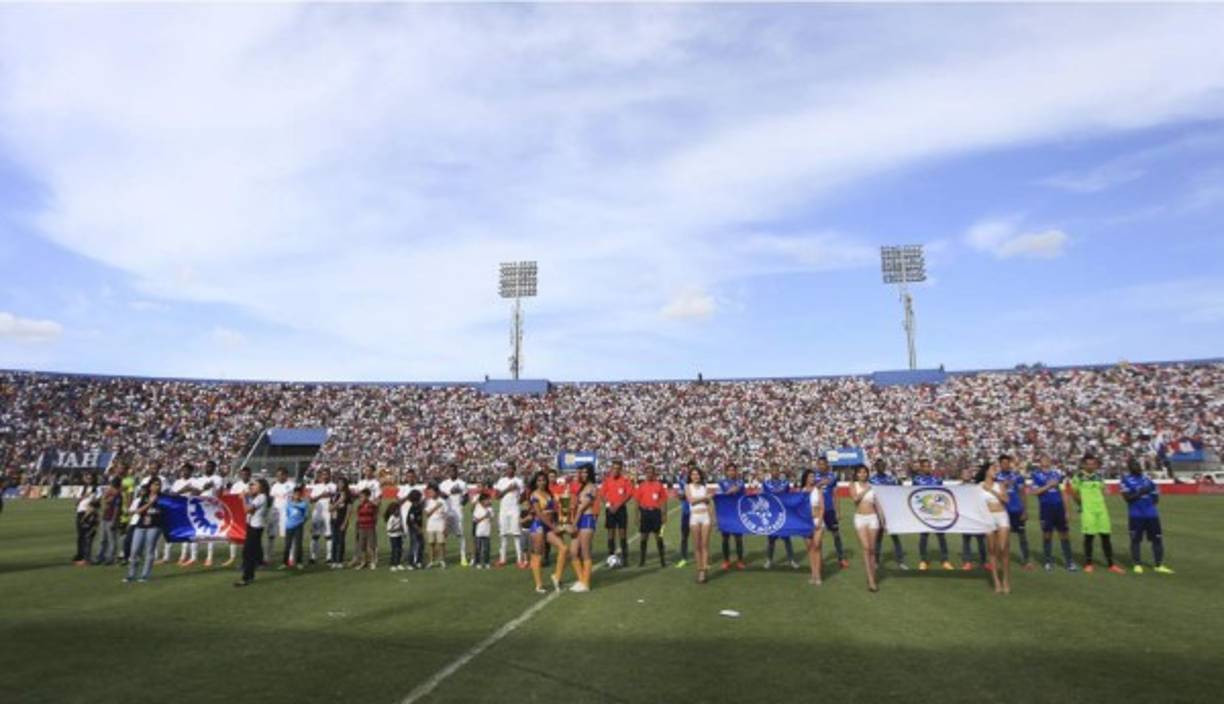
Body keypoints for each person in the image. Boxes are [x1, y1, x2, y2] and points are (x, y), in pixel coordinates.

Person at [1068, 453, 1124, 574]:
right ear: (1083, 465)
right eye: (1088, 464)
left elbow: (1104, 489)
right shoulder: (1078, 477)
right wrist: (1082, 505)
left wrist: (1105, 491)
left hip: (1102, 510)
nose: (1091, 466)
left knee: (1106, 537)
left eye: (1093, 464)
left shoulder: (1098, 476)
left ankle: (1111, 564)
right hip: (1088, 511)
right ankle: (1088, 564)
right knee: (1089, 537)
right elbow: (1074, 493)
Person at [1120, 459, 1174, 574]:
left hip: (1151, 515)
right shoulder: (1126, 480)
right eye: (1134, 465)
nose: (1137, 467)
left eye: (1138, 465)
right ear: (1130, 468)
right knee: (1135, 540)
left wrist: (1147, 498)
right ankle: (1137, 564)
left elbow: (1155, 498)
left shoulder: (1147, 479)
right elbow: (1127, 498)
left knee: (1157, 540)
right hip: (1136, 515)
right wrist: (1141, 492)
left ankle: (1159, 565)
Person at [1030, 455, 1078, 572]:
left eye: (1047, 459)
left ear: (1050, 462)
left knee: (1064, 534)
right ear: (1040, 463)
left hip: (1059, 508)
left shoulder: (1057, 474)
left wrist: (1067, 511)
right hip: (1046, 508)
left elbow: (1064, 493)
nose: (1045, 461)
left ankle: (1069, 562)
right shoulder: (1036, 475)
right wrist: (1049, 485)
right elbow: (1035, 491)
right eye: (1043, 459)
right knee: (1047, 534)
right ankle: (1048, 561)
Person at [527, 471, 569, 593]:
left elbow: (556, 509)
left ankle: (556, 576)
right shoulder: (534, 495)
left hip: (549, 526)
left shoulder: (548, 493)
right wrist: (553, 526)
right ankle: (539, 585)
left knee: (564, 548)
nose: (542, 482)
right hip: (539, 526)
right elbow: (539, 514)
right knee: (538, 555)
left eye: (543, 480)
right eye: (539, 480)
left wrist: (559, 523)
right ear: (536, 482)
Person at [976, 461, 1011, 594]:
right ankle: (996, 581)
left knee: (1003, 548)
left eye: (996, 469)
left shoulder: (999, 485)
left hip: (1001, 516)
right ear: (986, 471)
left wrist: (991, 490)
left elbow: (1006, 500)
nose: (995, 471)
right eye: (993, 469)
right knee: (992, 550)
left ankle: (1006, 580)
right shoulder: (979, 486)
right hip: (988, 518)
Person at [912, 459, 953, 571]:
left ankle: (945, 560)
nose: (927, 468)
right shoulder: (916, 480)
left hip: (937, 512)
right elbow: (913, 495)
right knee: (924, 536)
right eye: (925, 466)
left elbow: (942, 494)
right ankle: (923, 560)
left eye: (929, 466)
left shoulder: (937, 479)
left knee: (941, 536)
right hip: (923, 512)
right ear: (921, 468)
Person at [995, 454, 1033, 570]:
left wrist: (1025, 510)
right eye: (1003, 463)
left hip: (1017, 510)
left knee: (1022, 537)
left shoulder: (1017, 476)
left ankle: (1026, 561)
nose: (1006, 465)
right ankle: (1002, 560)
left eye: (1007, 463)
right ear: (1000, 464)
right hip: (1002, 512)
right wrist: (1002, 486)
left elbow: (1022, 493)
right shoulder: (996, 477)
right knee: (1003, 537)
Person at [869, 460, 909, 571]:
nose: (881, 467)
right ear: (876, 467)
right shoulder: (872, 480)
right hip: (877, 512)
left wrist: (900, 483)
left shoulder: (891, 479)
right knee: (878, 538)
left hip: (890, 512)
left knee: (895, 536)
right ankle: (876, 561)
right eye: (879, 466)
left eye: (883, 466)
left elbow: (898, 490)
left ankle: (900, 561)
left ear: (885, 466)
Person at [125, 478, 165, 583]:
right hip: (141, 526)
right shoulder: (144, 497)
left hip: (155, 526)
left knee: (149, 550)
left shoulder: (163, 498)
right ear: (150, 486)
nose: (157, 487)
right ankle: (131, 574)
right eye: (155, 484)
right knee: (134, 550)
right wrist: (150, 503)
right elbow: (138, 511)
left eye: (159, 485)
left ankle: (145, 575)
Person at [567, 464, 599, 591]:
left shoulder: (592, 487)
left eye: (586, 472)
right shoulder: (582, 487)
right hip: (579, 520)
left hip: (587, 520)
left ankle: (586, 583)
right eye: (582, 472)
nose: (583, 474)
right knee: (573, 552)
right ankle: (581, 579)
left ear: (590, 473)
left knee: (585, 553)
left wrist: (573, 524)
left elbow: (581, 508)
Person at [849, 465, 880, 592]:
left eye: (865, 472)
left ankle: (872, 577)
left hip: (873, 518)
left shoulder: (873, 486)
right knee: (866, 547)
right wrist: (866, 490)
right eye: (860, 472)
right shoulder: (853, 485)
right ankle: (871, 580)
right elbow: (855, 499)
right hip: (860, 518)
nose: (863, 474)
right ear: (856, 474)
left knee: (872, 549)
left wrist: (882, 519)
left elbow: (877, 504)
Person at [235, 478, 270, 587]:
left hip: (255, 527)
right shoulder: (260, 497)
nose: (252, 487)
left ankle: (246, 577)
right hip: (254, 526)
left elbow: (247, 510)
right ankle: (254, 569)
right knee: (251, 551)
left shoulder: (261, 497)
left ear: (261, 487)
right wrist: (247, 495)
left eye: (255, 485)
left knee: (248, 552)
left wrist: (244, 498)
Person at [815, 457, 849, 568]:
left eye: (823, 464)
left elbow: (835, 494)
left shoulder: (832, 477)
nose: (821, 466)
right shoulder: (814, 476)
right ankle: (819, 560)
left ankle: (841, 558)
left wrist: (837, 511)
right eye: (819, 464)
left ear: (827, 465)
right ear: (817, 465)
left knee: (836, 534)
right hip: (817, 510)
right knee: (818, 536)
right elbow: (808, 490)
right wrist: (820, 483)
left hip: (829, 510)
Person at [763, 467, 798, 569]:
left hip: (783, 514)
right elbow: (765, 495)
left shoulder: (784, 483)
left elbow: (788, 495)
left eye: (777, 470)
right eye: (773, 470)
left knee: (787, 538)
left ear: (779, 472)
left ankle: (791, 560)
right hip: (772, 514)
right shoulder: (766, 483)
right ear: (770, 472)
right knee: (771, 539)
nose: (775, 472)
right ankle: (769, 560)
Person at [600, 460, 633, 566]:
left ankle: (625, 557)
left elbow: (629, 494)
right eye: (614, 468)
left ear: (621, 470)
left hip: (621, 509)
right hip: (610, 510)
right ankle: (611, 557)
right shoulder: (607, 480)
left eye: (618, 469)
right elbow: (602, 494)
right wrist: (608, 505)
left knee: (622, 533)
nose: (615, 470)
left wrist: (618, 505)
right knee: (611, 533)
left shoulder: (625, 480)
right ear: (611, 469)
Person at [634, 464, 668, 568]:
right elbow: (637, 502)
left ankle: (662, 560)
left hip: (656, 513)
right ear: (645, 474)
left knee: (659, 537)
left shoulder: (659, 485)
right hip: (645, 513)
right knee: (644, 537)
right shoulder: (641, 486)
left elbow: (664, 500)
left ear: (654, 474)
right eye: (648, 472)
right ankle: (642, 560)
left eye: (651, 472)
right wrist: (636, 516)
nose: (649, 474)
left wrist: (664, 514)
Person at [686, 466, 715, 584]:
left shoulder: (705, 487)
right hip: (694, 517)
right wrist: (705, 497)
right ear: (690, 476)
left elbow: (708, 504)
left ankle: (704, 570)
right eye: (693, 474)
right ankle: (700, 569)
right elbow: (691, 501)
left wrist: (712, 518)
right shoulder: (688, 487)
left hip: (705, 517)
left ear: (700, 475)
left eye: (697, 474)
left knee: (704, 545)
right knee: (697, 546)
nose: (695, 476)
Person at [493, 462, 525, 568]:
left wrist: (518, 500)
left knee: (516, 535)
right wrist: (508, 489)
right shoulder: (501, 481)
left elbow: (523, 496)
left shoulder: (519, 481)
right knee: (503, 535)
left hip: (515, 510)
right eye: (507, 469)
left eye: (511, 469)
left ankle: (519, 560)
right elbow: (497, 496)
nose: (509, 470)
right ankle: (502, 559)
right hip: (503, 511)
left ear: (514, 470)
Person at [958, 465, 989, 571]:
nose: (967, 475)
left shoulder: (977, 486)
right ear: (961, 475)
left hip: (977, 517)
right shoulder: (957, 488)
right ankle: (967, 562)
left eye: (968, 473)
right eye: (965, 473)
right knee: (966, 541)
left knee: (981, 541)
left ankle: (984, 562)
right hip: (965, 518)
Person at [439, 465, 469, 567]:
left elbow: (466, 497)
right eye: (450, 471)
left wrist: (461, 504)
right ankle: (443, 559)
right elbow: (442, 496)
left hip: (458, 513)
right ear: (448, 472)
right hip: (446, 512)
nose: (452, 472)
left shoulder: (462, 483)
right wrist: (451, 492)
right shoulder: (444, 484)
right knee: (444, 535)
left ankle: (463, 557)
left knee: (460, 535)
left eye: (454, 471)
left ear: (457, 472)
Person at [717, 464, 746, 570]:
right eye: (729, 470)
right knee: (725, 539)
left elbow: (742, 494)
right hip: (725, 513)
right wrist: (728, 492)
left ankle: (740, 561)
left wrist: (734, 490)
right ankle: (726, 561)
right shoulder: (721, 482)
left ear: (736, 471)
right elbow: (719, 496)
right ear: (726, 472)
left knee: (738, 538)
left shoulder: (740, 482)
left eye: (733, 470)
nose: (731, 472)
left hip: (737, 514)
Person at [223, 467, 251, 567]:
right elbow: (231, 498)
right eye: (243, 474)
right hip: (237, 514)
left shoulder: (252, 485)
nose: (245, 476)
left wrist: (246, 494)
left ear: (250, 475)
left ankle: (246, 557)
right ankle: (232, 557)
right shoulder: (236, 485)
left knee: (247, 536)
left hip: (249, 513)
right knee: (233, 534)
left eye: (247, 474)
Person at [307, 468, 336, 566]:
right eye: (323, 474)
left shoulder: (334, 486)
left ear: (330, 475)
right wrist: (321, 495)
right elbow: (311, 500)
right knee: (315, 535)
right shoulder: (317, 486)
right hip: (318, 513)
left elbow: (336, 498)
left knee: (329, 535)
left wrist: (330, 495)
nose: (325, 476)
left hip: (329, 513)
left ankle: (329, 557)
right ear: (321, 476)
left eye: (327, 474)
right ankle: (312, 557)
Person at [800, 469, 824, 586]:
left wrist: (820, 520)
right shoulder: (802, 491)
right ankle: (813, 574)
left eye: (813, 477)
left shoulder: (817, 490)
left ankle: (818, 575)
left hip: (817, 520)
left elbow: (822, 507)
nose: (812, 479)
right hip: (806, 522)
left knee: (817, 546)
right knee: (810, 548)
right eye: (810, 476)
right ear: (805, 478)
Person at [267, 467, 294, 566]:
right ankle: (268, 557)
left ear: (285, 475)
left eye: (280, 475)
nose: (278, 477)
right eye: (277, 475)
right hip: (274, 512)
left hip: (286, 513)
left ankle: (290, 558)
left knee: (288, 536)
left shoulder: (292, 485)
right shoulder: (274, 486)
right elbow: (271, 498)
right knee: (271, 535)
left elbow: (296, 499)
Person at [94, 477, 123, 565]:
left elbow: (117, 509)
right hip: (105, 518)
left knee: (111, 540)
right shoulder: (109, 494)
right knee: (102, 539)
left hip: (111, 519)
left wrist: (114, 520)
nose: (110, 488)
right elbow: (103, 504)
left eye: (112, 486)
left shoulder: (118, 496)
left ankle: (111, 558)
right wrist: (105, 497)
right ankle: (100, 556)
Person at [281, 485, 309, 569]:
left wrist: (301, 522)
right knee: (287, 545)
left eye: (298, 494)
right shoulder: (289, 504)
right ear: (293, 494)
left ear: (301, 495)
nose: (297, 496)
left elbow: (306, 516)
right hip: (289, 526)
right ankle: (285, 563)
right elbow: (287, 514)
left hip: (298, 526)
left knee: (298, 545)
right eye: (295, 494)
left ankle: (299, 562)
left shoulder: (303, 504)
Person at [329, 477, 353, 568]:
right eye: (338, 483)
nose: (340, 485)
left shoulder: (348, 496)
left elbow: (349, 511)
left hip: (342, 520)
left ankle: (340, 560)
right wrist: (339, 501)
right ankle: (333, 560)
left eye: (342, 483)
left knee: (341, 541)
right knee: (334, 541)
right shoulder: (334, 495)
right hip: (333, 520)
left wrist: (345, 522)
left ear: (345, 484)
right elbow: (330, 509)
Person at [352, 489, 379, 569]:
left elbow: (376, 513)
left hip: (370, 527)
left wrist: (374, 522)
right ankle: (363, 562)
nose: (361, 498)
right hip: (361, 527)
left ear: (367, 497)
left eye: (362, 496)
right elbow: (358, 516)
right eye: (360, 497)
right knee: (362, 546)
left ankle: (372, 561)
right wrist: (357, 526)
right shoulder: (359, 506)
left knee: (371, 545)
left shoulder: (372, 505)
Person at [424, 483, 448, 568]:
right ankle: (431, 561)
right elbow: (427, 514)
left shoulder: (443, 501)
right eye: (429, 492)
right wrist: (436, 507)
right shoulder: (428, 501)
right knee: (431, 544)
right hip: (431, 526)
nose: (430, 494)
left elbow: (445, 515)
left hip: (440, 525)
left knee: (441, 544)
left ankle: (442, 560)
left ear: (437, 492)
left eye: (431, 492)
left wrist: (445, 527)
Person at [473, 493, 493, 570]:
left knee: (486, 549)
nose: (488, 501)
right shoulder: (477, 509)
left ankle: (487, 563)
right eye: (486, 500)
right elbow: (475, 520)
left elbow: (491, 518)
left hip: (487, 532)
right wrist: (485, 516)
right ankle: (478, 563)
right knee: (478, 549)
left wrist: (489, 516)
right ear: (481, 501)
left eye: (488, 500)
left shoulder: (490, 509)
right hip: (479, 533)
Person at [405, 489, 425, 569]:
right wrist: (418, 529)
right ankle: (411, 563)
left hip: (419, 527)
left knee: (421, 544)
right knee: (414, 545)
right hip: (413, 528)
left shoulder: (419, 506)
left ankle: (419, 561)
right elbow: (412, 521)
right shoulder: (412, 509)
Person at [386, 500, 406, 571]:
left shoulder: (399, 517)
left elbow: (401, 525)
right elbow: (389, 530)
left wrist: (403, 532)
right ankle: (393, 564)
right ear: (393, 511)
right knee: (395, 550)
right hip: (393, 536)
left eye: (399, 509)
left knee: (400, 549)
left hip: (399, 535)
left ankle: (398, 563)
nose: (398, 511)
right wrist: (397, 529)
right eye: (397, 510)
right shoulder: (391, 518)